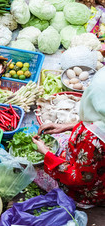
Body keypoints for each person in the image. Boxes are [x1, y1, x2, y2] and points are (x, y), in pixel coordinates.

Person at [33, 67, 105, 206]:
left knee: (34, 172)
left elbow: (77, 178)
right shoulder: (100, 123)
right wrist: (64, 126)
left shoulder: (92, 141)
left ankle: (81, 202)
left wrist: (46, 153)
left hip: (86, 191)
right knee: (61, 140)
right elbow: (96, 124)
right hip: (95, 169)